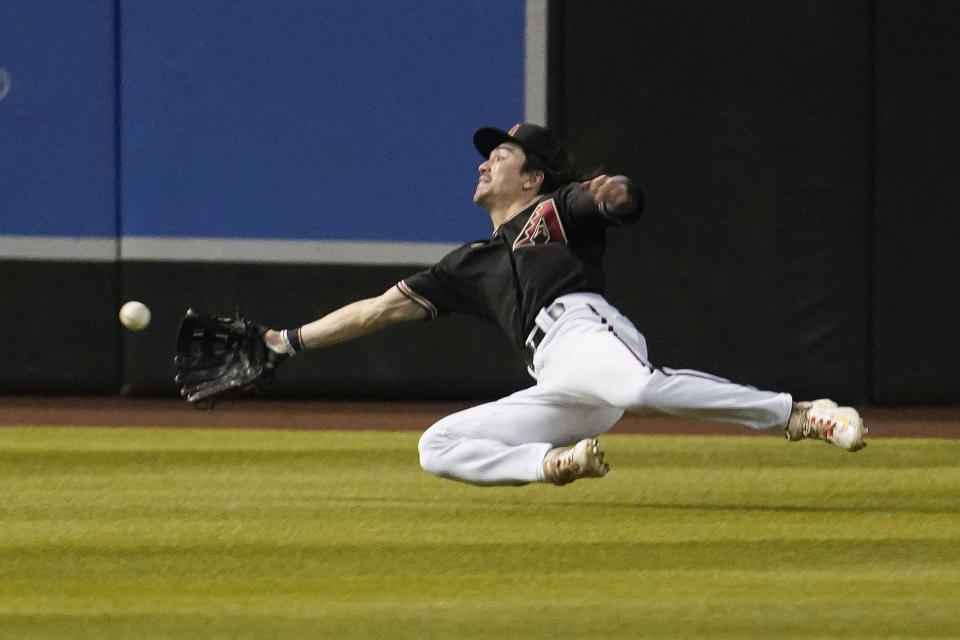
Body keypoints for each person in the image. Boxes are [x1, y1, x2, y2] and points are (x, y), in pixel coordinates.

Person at [263, 123, 867, 487]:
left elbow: (611, 203)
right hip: (556, 376)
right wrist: (285, 342)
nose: (484, 161)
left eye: (500, 156)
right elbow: (376, 310)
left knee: (639, 390)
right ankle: (554, 465)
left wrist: (618, 195)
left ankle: (798, 413)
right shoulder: (468, 265)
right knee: (436, 447)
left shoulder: (554, 212)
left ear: (532, 179)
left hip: (586, 330)